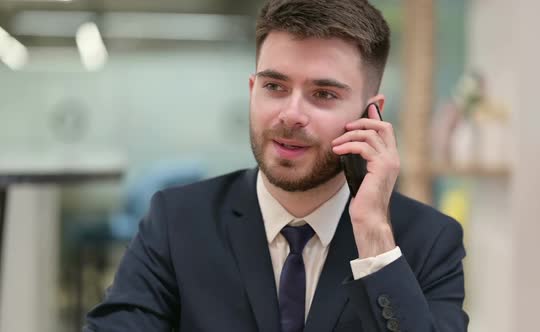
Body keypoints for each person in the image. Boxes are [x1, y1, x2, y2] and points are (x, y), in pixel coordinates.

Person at [84, 0, 468, 331]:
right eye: (275, 87)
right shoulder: (177, 221)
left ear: (371, 114)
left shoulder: (427, 242)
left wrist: (375, 242)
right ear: (253, 90)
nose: (291, 114)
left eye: (323, 94)